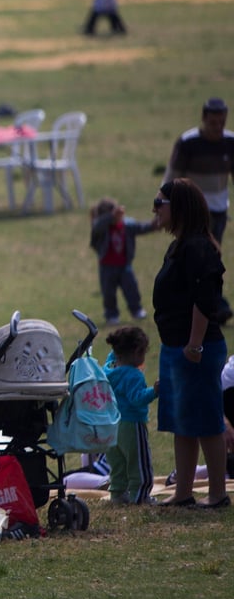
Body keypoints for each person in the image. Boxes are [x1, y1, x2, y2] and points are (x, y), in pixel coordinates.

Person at [151, 179, 229, 509]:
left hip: (195, 349)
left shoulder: (198, 247)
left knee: (207, 421)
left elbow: (205, 300)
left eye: (160, 202)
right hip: (177, 348)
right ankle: (183, 492)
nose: (154, 209)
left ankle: (217, 494)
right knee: (183, 423)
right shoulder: (180, 245)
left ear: (178, 207)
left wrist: (195, 345)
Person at [164, 97, 234, 323]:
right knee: (199, 258)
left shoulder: (230, 142)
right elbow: (173, 176)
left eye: (221, 123)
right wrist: (166, 205)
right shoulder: (188, 143)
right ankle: (212, 305)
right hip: (193, 212)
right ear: (204, 119)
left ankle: (212, 305)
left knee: (212, 257)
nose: (217, 128)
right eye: (213, 123)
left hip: (218, 210)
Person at [102, 326, 159, 505]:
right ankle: (140, 496)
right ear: (136, 352)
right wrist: (155, 391)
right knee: (138, 463)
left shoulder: (109, 369)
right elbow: (137, 398)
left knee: (117, 463)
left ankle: (118, 494)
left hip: (112, 425)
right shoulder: (133, 375)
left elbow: (113, 356)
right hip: (132, 425)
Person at [90, 197, 156, 325]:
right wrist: (110, 217)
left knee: (131, 289)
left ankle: (136, 310)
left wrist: (154, 225)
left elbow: (140, 227)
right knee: (108, 293)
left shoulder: (127, 224)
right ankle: (111, 315)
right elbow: (98, 226)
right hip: (106, 266)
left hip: (124, 265)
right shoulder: (101, 228)